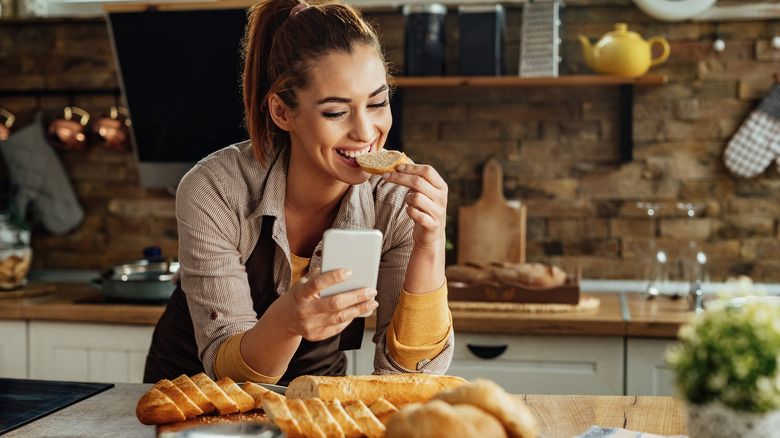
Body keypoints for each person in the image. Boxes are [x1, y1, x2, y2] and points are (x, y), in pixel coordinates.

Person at [143, 0, 454, 385]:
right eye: (336, 112)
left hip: (314, 389)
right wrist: (287, 319)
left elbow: (410, 377)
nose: (365, 132)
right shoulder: (214, 189)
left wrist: (430, 242)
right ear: (282, 112)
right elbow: (229, 374)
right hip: (192, 390)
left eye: (377, 102)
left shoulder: (395, 202)